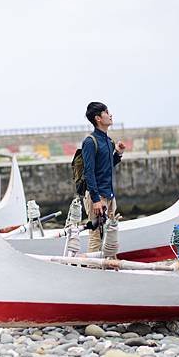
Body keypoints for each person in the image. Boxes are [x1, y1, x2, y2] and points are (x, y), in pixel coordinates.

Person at [82, 102, 126, 252]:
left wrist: (118, 154)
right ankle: (93, 273)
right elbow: (89, 172)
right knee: (96, 238)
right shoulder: (90, 142)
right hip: (98, 197)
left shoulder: (109, 141)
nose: (110, 115)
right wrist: (95, 200)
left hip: (109, 196)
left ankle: (108, 268)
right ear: (98, 118)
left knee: (111, 236)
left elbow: (106, 167)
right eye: (107, 112)